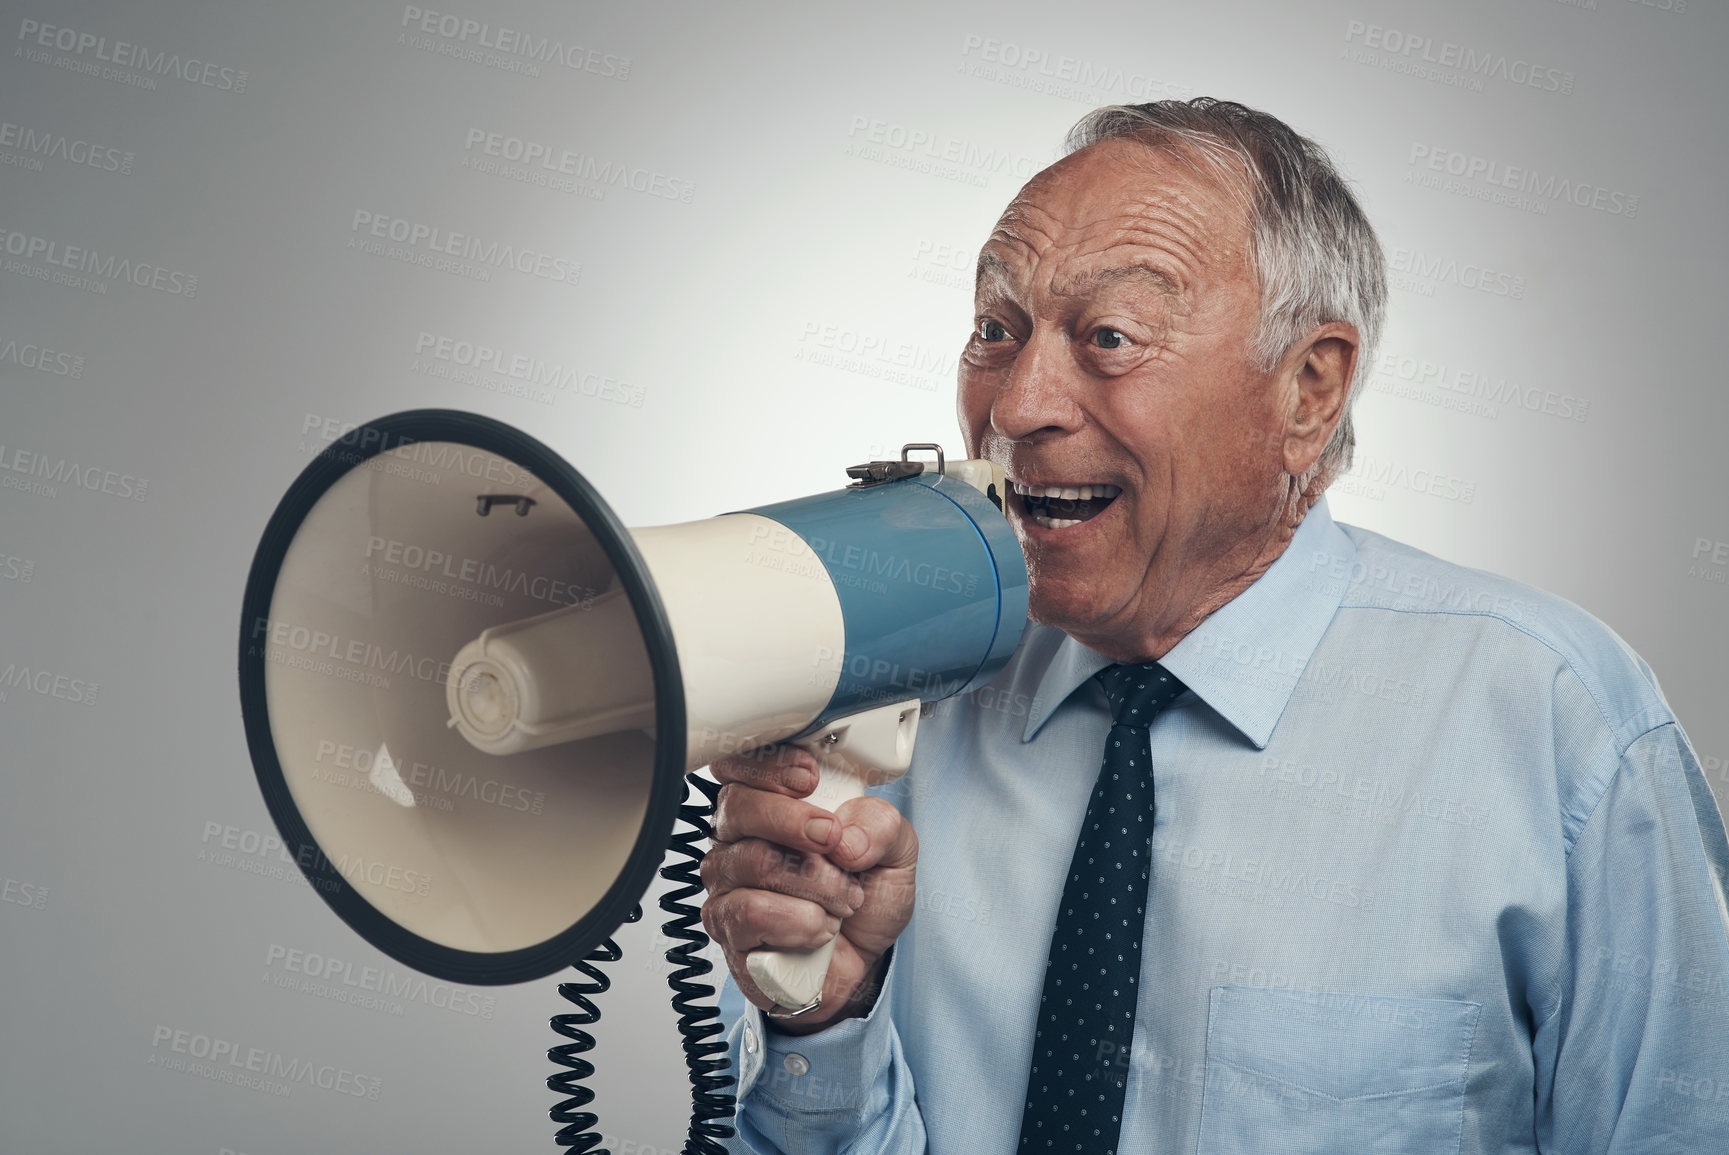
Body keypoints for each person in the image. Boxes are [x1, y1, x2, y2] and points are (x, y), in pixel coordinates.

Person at [700, 98, 1729, 1154]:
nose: (1016, 407)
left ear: (1306, 392)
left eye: (1109, 338)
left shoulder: (1553, 720)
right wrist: (823, 1024)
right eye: (995, 332)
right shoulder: (889, 706)